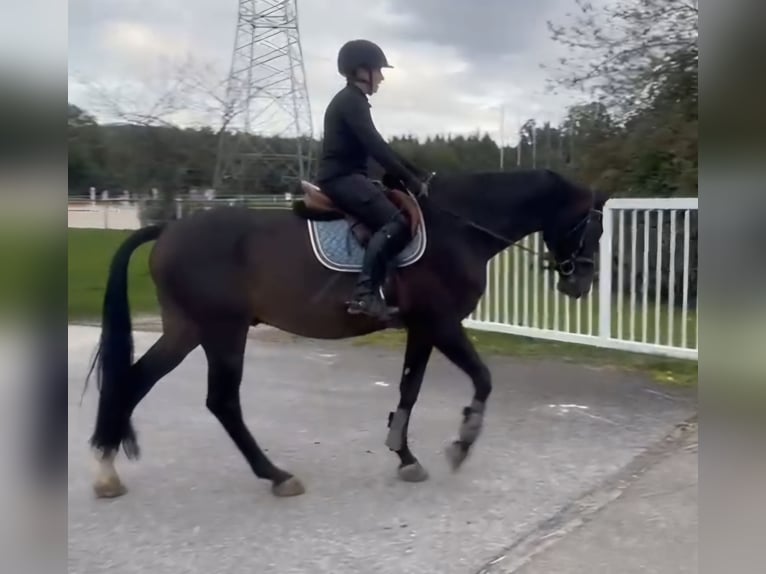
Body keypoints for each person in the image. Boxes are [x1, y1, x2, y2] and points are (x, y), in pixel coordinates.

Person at [316, 38, 428, 322]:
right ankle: (364, 295)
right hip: (340, 178)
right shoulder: (351, 102)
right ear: (361, 71)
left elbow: (380, 149)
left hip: (351, 176)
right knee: (398, 223)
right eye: (378, 70)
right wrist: (412, 181)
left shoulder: (353, 101)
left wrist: (416, 174)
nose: (381, 77)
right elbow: (376, 146)